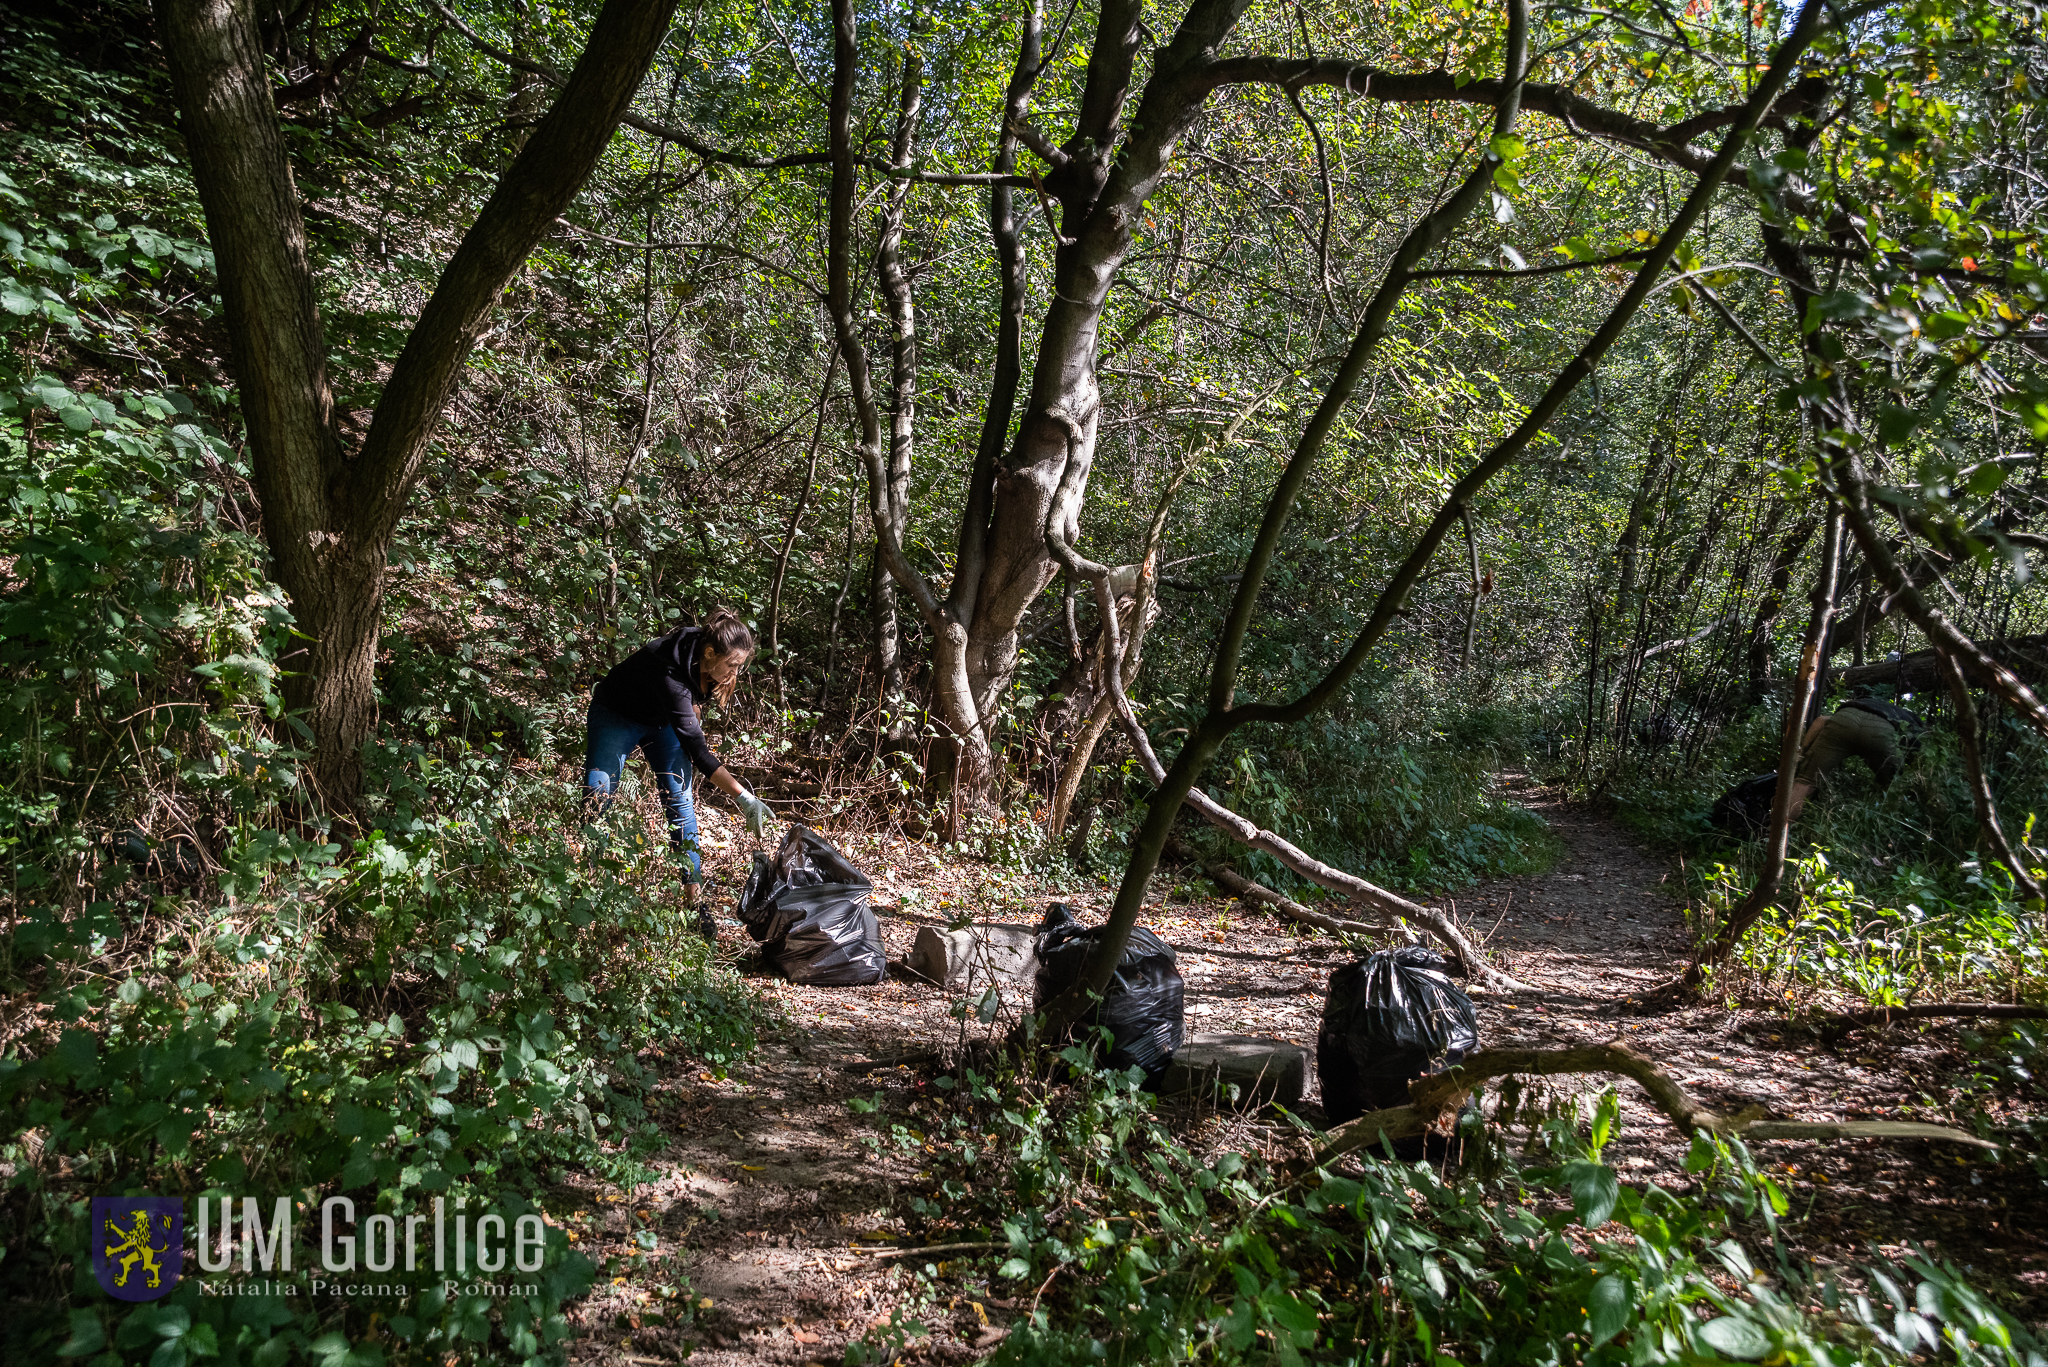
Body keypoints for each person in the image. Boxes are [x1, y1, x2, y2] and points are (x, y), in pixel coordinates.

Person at [583, 609, 774, 939]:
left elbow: (691, 706)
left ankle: (694, 907)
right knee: (597, 795)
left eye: (740, 665)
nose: (736, 672)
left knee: (681, 805)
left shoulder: (706, 655)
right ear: (711, 653)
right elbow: (699, 752)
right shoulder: (668, 667)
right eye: (733, 664)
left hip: (662, 722)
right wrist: (744, 798)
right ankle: (586, 892)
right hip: (617, 714)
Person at [1784, 691, 1924, 822]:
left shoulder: (1865, 704)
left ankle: (1779, 829)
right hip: (1882, 731)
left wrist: (1802, 753)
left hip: (1845, 718)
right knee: (1894, 787)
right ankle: (1890, 832)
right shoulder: (1911, 724)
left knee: (1806, 780)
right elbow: (1915, 760)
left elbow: (1820, 720)